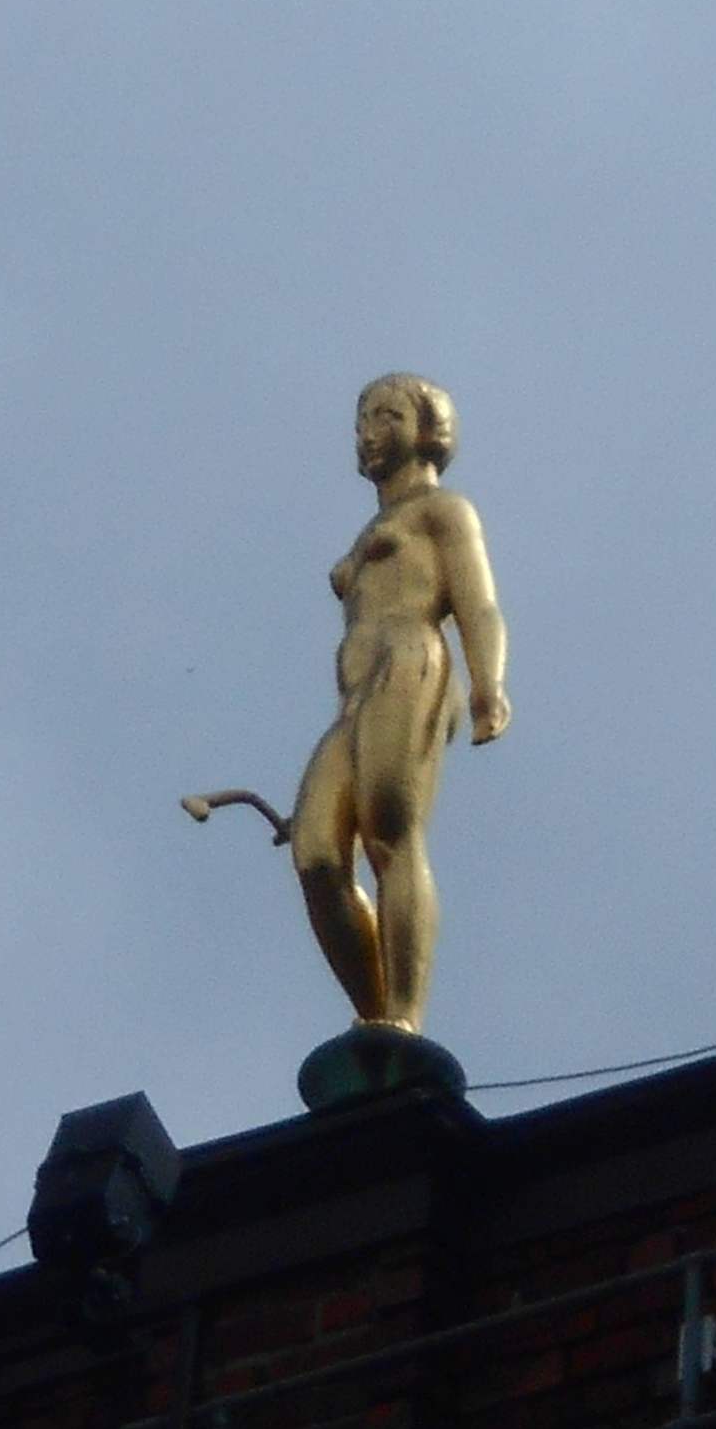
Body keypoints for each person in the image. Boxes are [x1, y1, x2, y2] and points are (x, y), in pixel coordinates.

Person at [291, 374, 510, 1034]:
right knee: (316, 853)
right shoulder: (371, 528)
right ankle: (374, 1013)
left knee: (389, 828)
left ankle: (403, 1018)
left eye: (388, 416)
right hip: (354, 695)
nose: (369, 431)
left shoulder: (442, 511)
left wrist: (487, 685)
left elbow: (477, 603)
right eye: (363, 418)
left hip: (410, 661)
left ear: (426, 429)